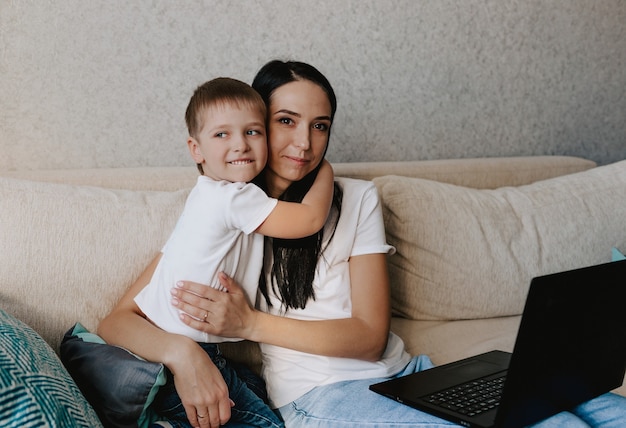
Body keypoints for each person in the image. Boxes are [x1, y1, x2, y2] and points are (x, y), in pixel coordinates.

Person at [100, 60, 626, 428]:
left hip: (406, 374)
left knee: (595, 410)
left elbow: (371, 338)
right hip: (320, 399)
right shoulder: (220, 214)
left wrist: (248, 324)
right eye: (285, 122)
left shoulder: (357, 198)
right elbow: (117, 321)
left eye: (320, 127)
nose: (304, 144)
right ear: (256, 126)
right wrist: (185, 356)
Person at [104, 76, 334, 428]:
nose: (240, 145)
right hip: (179, 351)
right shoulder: (233, 198)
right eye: (222, 134)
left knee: (255, 395)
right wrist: (326, 170)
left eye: (252, 132)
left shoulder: (206, 197)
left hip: (180, 352)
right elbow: (310, 218)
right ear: (196, 149)